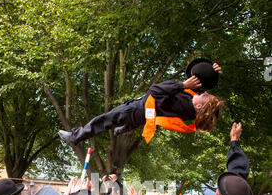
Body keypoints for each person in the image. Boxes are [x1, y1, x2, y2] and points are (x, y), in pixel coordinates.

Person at [58, 58, 223, 146]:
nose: (206, 93)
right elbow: (200, 84)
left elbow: (156, 90)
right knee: (126, 122)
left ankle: (75, 137)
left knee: (105, 120)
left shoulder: (182, 104)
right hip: (143, 114)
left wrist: (181, 85)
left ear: (200, 106)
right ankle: (122, 129)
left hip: (137, 110)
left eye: (206, 96)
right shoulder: (191, 104)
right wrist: (214, 72)